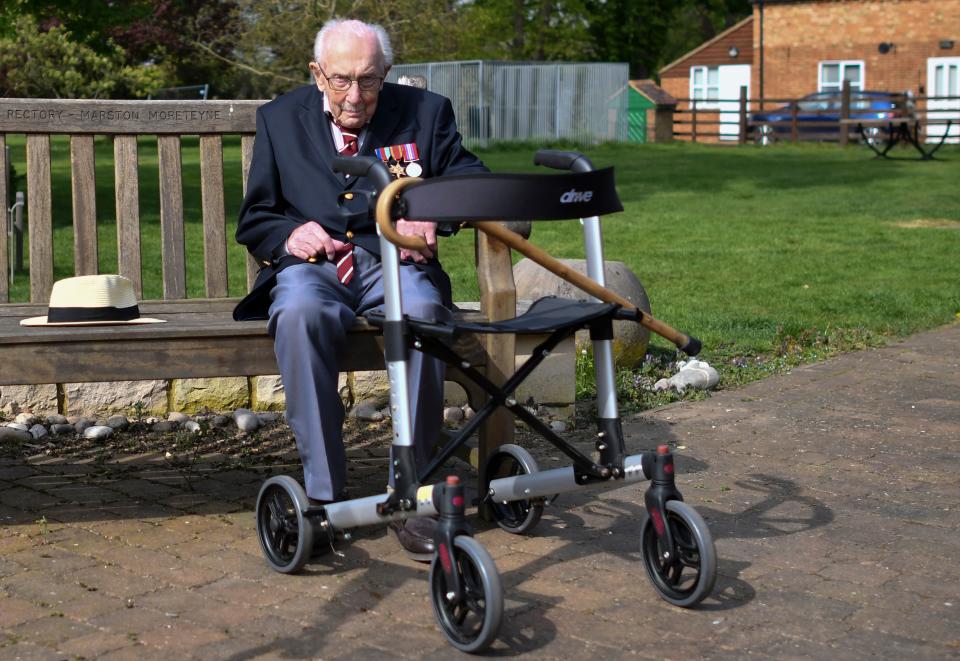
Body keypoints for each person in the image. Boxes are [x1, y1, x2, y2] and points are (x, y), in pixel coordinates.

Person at [233, 19, 487, 561]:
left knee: (422, 312)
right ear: (317, 74)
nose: (355, 96)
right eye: (342, 80)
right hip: (313, 267)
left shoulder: (425, 112)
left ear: (386, 74)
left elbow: (469, 180)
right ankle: (323, 496)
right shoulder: (279, 119)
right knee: (300, 312)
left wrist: (430, 214)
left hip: (393, 263)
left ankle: (413, 493)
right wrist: (288, 233)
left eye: (368, 81)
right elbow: (256, 217)